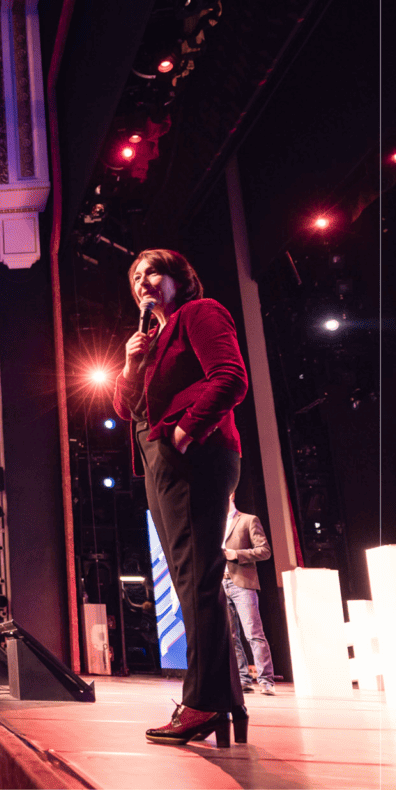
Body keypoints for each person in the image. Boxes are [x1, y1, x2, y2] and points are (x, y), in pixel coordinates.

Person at [113, 248, 249, 747]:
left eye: (152, 271)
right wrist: (131, 364)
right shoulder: (151, 339)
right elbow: (126, 409)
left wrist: (186, 432)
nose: (142, 281)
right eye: (135, 276)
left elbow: (231, 377)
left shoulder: (200, 312)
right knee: (194, 581)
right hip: (160, 462)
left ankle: (203, 702)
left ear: (178, 278)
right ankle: (225, 700)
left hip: (191, 455)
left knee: (197, 579)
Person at [222, 494, 276, 696]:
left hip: (242, 583)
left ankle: (266, 680)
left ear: (231, 495)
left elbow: (264, 550)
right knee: (231, 636)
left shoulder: (248, 519)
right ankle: (243, 679)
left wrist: (236, 554)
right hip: (220, 583)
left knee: (253, 633)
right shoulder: (214, 524)